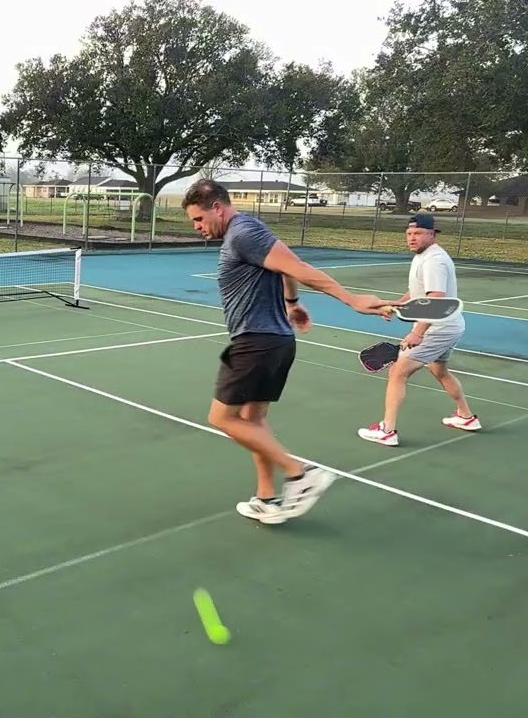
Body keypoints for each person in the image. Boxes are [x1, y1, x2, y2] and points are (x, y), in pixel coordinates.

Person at [181, 179, 398, 525]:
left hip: (256, 342)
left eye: (198, 219)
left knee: (221, 418)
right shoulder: (250, 228)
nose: (197, 227)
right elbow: (285, 265)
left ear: (217, 208)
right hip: (274, 340)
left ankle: (300, 474)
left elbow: (298, 267)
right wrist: (292, 303)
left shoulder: (242, 234)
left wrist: (352, 299)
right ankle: (267, 498)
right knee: (254, 420)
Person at [357, 214, 480, 446]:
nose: (412, 238)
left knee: (398, 373)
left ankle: (387, 430)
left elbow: (436, 299)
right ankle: (466, 417)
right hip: (448, 326)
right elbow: (417, 292)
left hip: (438, 328)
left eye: (418, 234)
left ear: (432, 235)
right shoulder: (423, 257)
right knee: (439, 371)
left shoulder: (435, 260)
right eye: (409, 234)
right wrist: (394, 306)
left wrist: (418, 333)